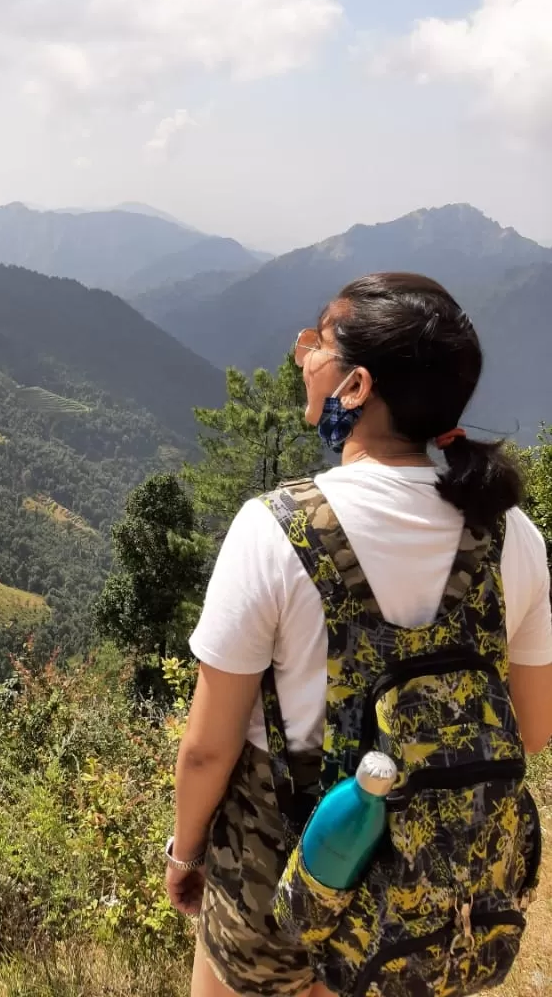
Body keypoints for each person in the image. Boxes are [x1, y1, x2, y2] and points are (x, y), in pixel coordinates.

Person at [166, 272, 552, 997]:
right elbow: (530, 729)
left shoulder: (275, 529)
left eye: (317, 343)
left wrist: (185, 857)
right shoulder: (512, 535)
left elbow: (208, 747)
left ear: (356, 386)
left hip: (275, 881)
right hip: (427, 904)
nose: (300, 353)